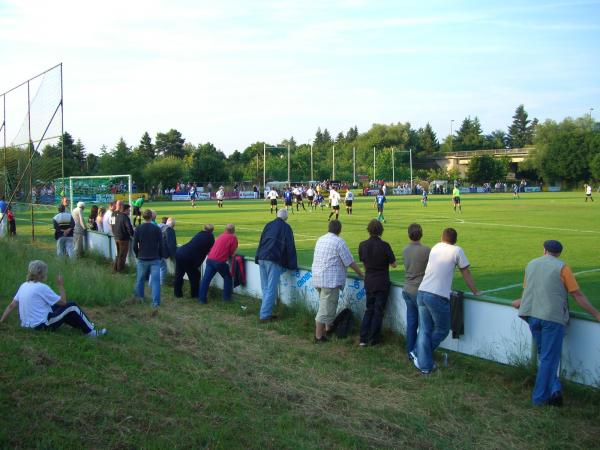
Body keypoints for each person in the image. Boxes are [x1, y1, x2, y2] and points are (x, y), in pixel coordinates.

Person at [512, 240, 600, 406]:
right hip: (551, 318)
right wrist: (596, 314)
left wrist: (519, 302)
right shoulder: (563, 268)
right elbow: (577, 295)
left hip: (532, 315)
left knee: (544, 355)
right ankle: (540, 399)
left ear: (544, 250)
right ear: (559, 253)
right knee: (549, 359)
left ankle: (555, 390)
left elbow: (529, 289)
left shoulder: (531, 264)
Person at [412, 228, 479, 374]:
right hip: (437, 295)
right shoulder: (457, 250)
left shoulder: (436, 247)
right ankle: (422, 358)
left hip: (422, 291)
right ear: (455, 240)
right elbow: (465, 271)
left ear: (442, 237)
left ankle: (420, 357)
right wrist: (475, 291)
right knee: (443, 329)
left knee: (424, 329)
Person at [0, 260, 107, 337]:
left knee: (57, 307)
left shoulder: (24, 285)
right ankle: (90, 331)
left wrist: (1, 321)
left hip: (26, 325)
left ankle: (82, 326)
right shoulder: (42, 287)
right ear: (40, 273)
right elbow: (63, 302)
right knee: (72, 306)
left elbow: (11, 306)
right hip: (41, 325)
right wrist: (60, 285)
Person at [311, 220, 364, 343]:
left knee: (325, 305)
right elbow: (349, 261)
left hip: (318, 277)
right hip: (330, 280)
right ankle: (318, 336)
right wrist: (360, 273)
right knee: (325, 309)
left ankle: (328, 328)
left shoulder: (320, 239)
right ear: (339, 230)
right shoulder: (339, 242)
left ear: (328, 228)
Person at [358, 219, 397, 346]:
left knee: (369, 309)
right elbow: (394, 264)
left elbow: (363, 262)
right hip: (381, 281)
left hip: (369, 280)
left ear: (368, 230)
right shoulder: (385, 245)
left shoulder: (362, 245)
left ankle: (363, 338)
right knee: (378, 311)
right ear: (381, 231)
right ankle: (373, 339)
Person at [255, 209, 298, 322]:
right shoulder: (286, 228)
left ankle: (266, 312)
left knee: (265, 287)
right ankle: (264, 315)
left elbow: (261, 241)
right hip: (272, 259)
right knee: (271, 289)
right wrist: (292, 264)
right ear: (286, 218)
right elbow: (290, 247)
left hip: (262, 257)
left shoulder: (268, 224)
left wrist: (257, 257)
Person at [401, 223, 431, 359]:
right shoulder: (426, 250)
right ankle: (420, 352)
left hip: (407, 288)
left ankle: (410, 351)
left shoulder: (405, 249)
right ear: (421, 234)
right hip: (419, 289)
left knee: (412, 322)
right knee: (424, 325)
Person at [198, 224, 238, 304]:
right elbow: (232, 253)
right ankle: (226, 299)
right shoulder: (233, 238)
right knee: (228, 277)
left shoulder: (221, 236)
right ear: (233, 230)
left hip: (210, 259)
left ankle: (202, 299)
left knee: (206, 279)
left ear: (225, 229)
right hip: (219, 261)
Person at [132, 209, 164, 308]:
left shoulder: (138, 228)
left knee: (140, 279)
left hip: (142, 257)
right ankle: (155, 303)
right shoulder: (157, 229)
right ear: (151, 217)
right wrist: (160, 255)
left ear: (142, 217)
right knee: (155, 281)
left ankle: (139, 299)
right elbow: (161, 244)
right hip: (155, 258)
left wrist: (137, 254)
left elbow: (134, 245)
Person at [174, 224, 215, 298]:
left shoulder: (199, 233)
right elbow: (212, 249)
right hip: (188, 257)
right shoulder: (210, 237)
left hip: (180, 252)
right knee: (195, 275)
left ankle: (177, 293)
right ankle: (195, 294)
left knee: (179, 274)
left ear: (204, 228)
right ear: (212, 231)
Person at [113, 203, 134, 273]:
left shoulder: (118, 216)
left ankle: (115, 268)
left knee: (119, 254)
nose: (129, 212)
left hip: (117, 237)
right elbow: (129, 228)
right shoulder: (125, 217)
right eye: (129, 210)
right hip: (123, 239)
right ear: (126, 210)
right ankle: (120, 270)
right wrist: (133, 235)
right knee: (122, 255)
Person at [160, 217, 177, 285]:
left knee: (158, 268)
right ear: (173, 225)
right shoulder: (170, 230)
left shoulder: (162, 227)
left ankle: (152, 283)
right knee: (163, 269)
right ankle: (161, 284)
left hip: (158, 251)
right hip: (164, 252)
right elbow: (171, 245)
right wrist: (173, 256)